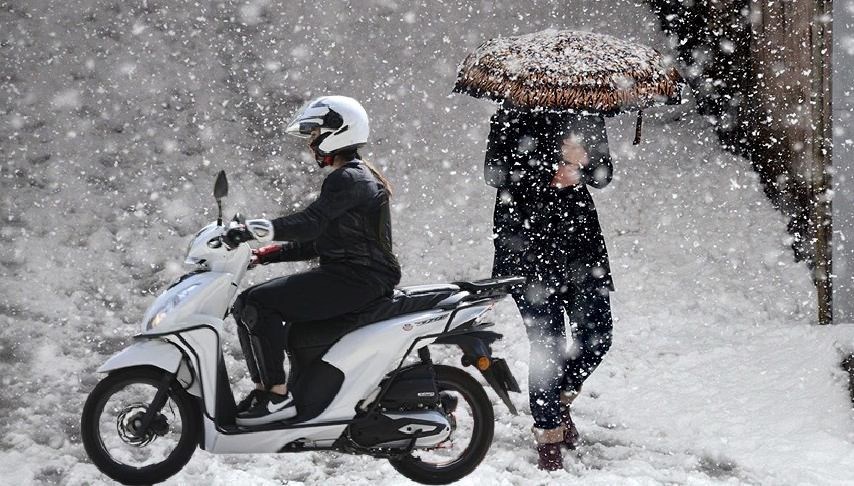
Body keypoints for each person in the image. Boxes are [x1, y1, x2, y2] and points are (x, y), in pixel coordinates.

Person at [223, 95, 401, 426]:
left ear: (339, 132)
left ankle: (275, 397)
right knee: (247, 305)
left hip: (359, 279)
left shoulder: (348, 178)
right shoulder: (354, 177)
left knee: (257, 303)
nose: (311, 142)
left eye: (315, 132)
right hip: (356, 276)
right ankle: (267, 393)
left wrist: (256, 230)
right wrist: (268, 254)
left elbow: (310, 224)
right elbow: (322, 241)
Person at [485, 104, 614, 470]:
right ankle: (548, 436)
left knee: (598, 334)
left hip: (580, 247)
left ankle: (556, 402)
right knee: (548, 345)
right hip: (526, 246)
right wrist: (550, 166)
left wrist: (583, 165)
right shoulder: (510, 114)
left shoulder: (586, 113)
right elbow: (494, 174)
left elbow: (603, 175)